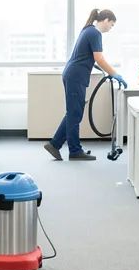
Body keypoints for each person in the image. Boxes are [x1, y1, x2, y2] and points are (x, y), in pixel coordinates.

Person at [45, 8, 126, 162]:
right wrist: (115, 74)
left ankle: (54, 144)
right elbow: (99, 58)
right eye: (112, 25)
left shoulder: (88, 30)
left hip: (73, 75)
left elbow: (87, 56)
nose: (111, 28)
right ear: (106, 20)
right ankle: (75, 151)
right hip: (75, 76)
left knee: (73, 113)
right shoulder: (95, 33)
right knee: (74, 113)